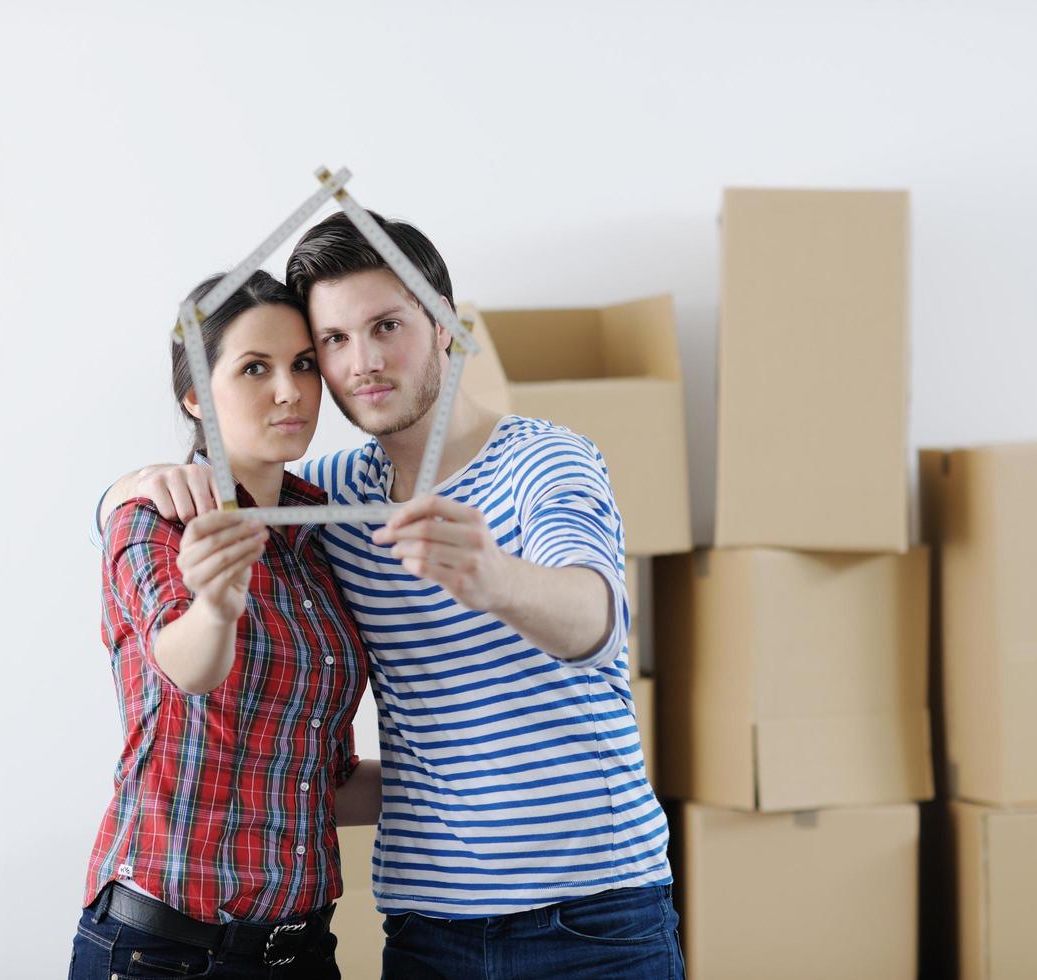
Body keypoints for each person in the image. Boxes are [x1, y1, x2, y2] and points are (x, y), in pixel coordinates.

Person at [100, 214, 683, 979]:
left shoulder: (546, 461)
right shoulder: (331, 503)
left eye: (386, 326)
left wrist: (492, 577)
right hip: (427, 923)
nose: (363, 361)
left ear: (447, 329)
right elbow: (148, 547)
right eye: (334, 342)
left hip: (590, 916)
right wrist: (129, 488)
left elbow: (594, 621)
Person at [74, 270, 379, 980]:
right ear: (194, 394)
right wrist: (216, 604)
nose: (290, 390)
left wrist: (484, 781)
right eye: (254, 368)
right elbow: (186, 662)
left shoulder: (317, 536)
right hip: (164, 953)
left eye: (304, 364)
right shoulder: (153, 518)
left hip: (304, 950)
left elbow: (319, 777)